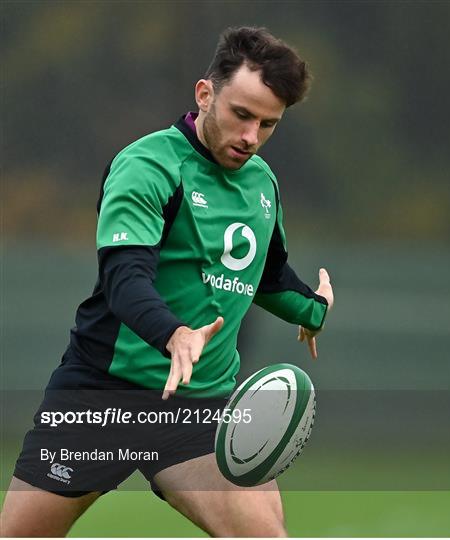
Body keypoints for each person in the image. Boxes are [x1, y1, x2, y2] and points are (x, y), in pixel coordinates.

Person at [0, 26, 334, 537]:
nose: (251, 137)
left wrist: (313, 310)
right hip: (101, 395)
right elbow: (125, 275)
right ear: (205, 94)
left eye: (268, 124)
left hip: (202, 410)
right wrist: (172, 332)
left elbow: (267, 275)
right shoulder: (148, 164)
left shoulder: (262, 182)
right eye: (241, 114)